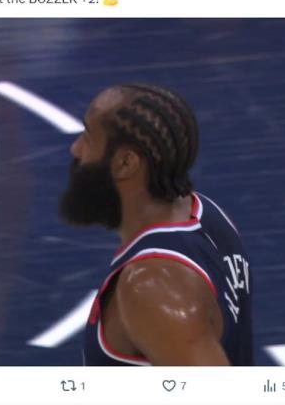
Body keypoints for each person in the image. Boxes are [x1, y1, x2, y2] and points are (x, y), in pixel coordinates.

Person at [59, 83, 253, 366]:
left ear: (125, 163)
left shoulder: (151, 286)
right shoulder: (208, 213)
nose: (76, 149)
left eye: (88, 138)